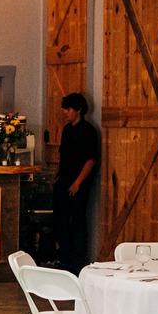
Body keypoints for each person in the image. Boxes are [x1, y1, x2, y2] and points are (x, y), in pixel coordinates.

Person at [52, 92, 100, 271]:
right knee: (61, 220)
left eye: (68, 109)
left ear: (78, 110)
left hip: (78, 182)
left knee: (77, 221)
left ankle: (77, 262)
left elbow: (91, 160)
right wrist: (56, 175)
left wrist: (78, 182)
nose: (65, 112)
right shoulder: (67, 130)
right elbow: (63, 155)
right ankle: (64, 258)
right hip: (63, 180)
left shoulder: (88, 131)